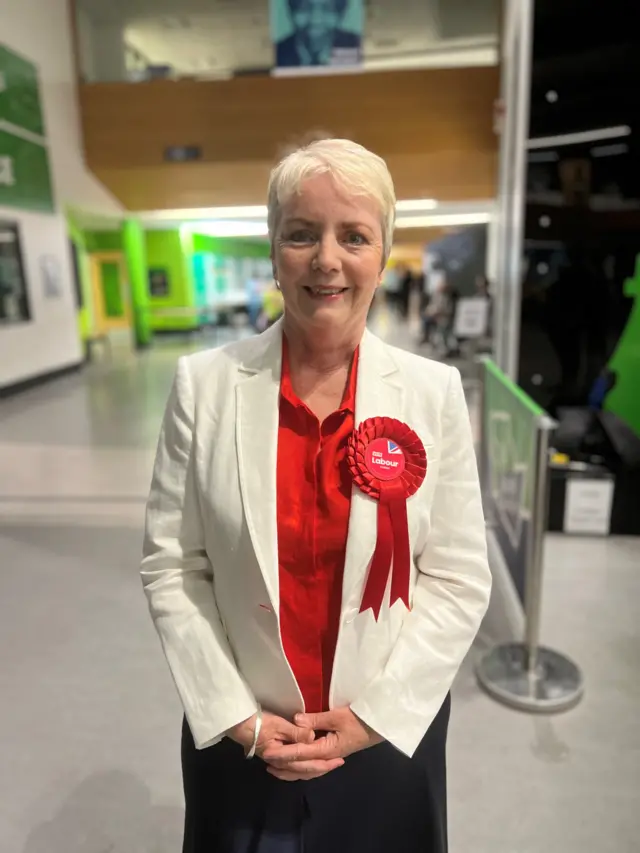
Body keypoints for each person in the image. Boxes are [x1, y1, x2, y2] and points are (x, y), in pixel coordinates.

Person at [141, 138, 492, 853]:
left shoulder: (433, 393)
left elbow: (457, 576)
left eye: (353, 235)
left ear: (383, 253)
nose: (327, 259)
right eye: (302, 233)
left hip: (386, 732)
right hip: (245, 736)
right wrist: (237, 715)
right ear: (274, 252)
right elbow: (173, 565)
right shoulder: (202, 387)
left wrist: (371, 717)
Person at [276, 0, 360, 69]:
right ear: (291, 11)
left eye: (327, 9)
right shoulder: (277, 53)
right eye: (304, 8)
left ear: (341, 14)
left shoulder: (358, 47)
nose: (316, 20)